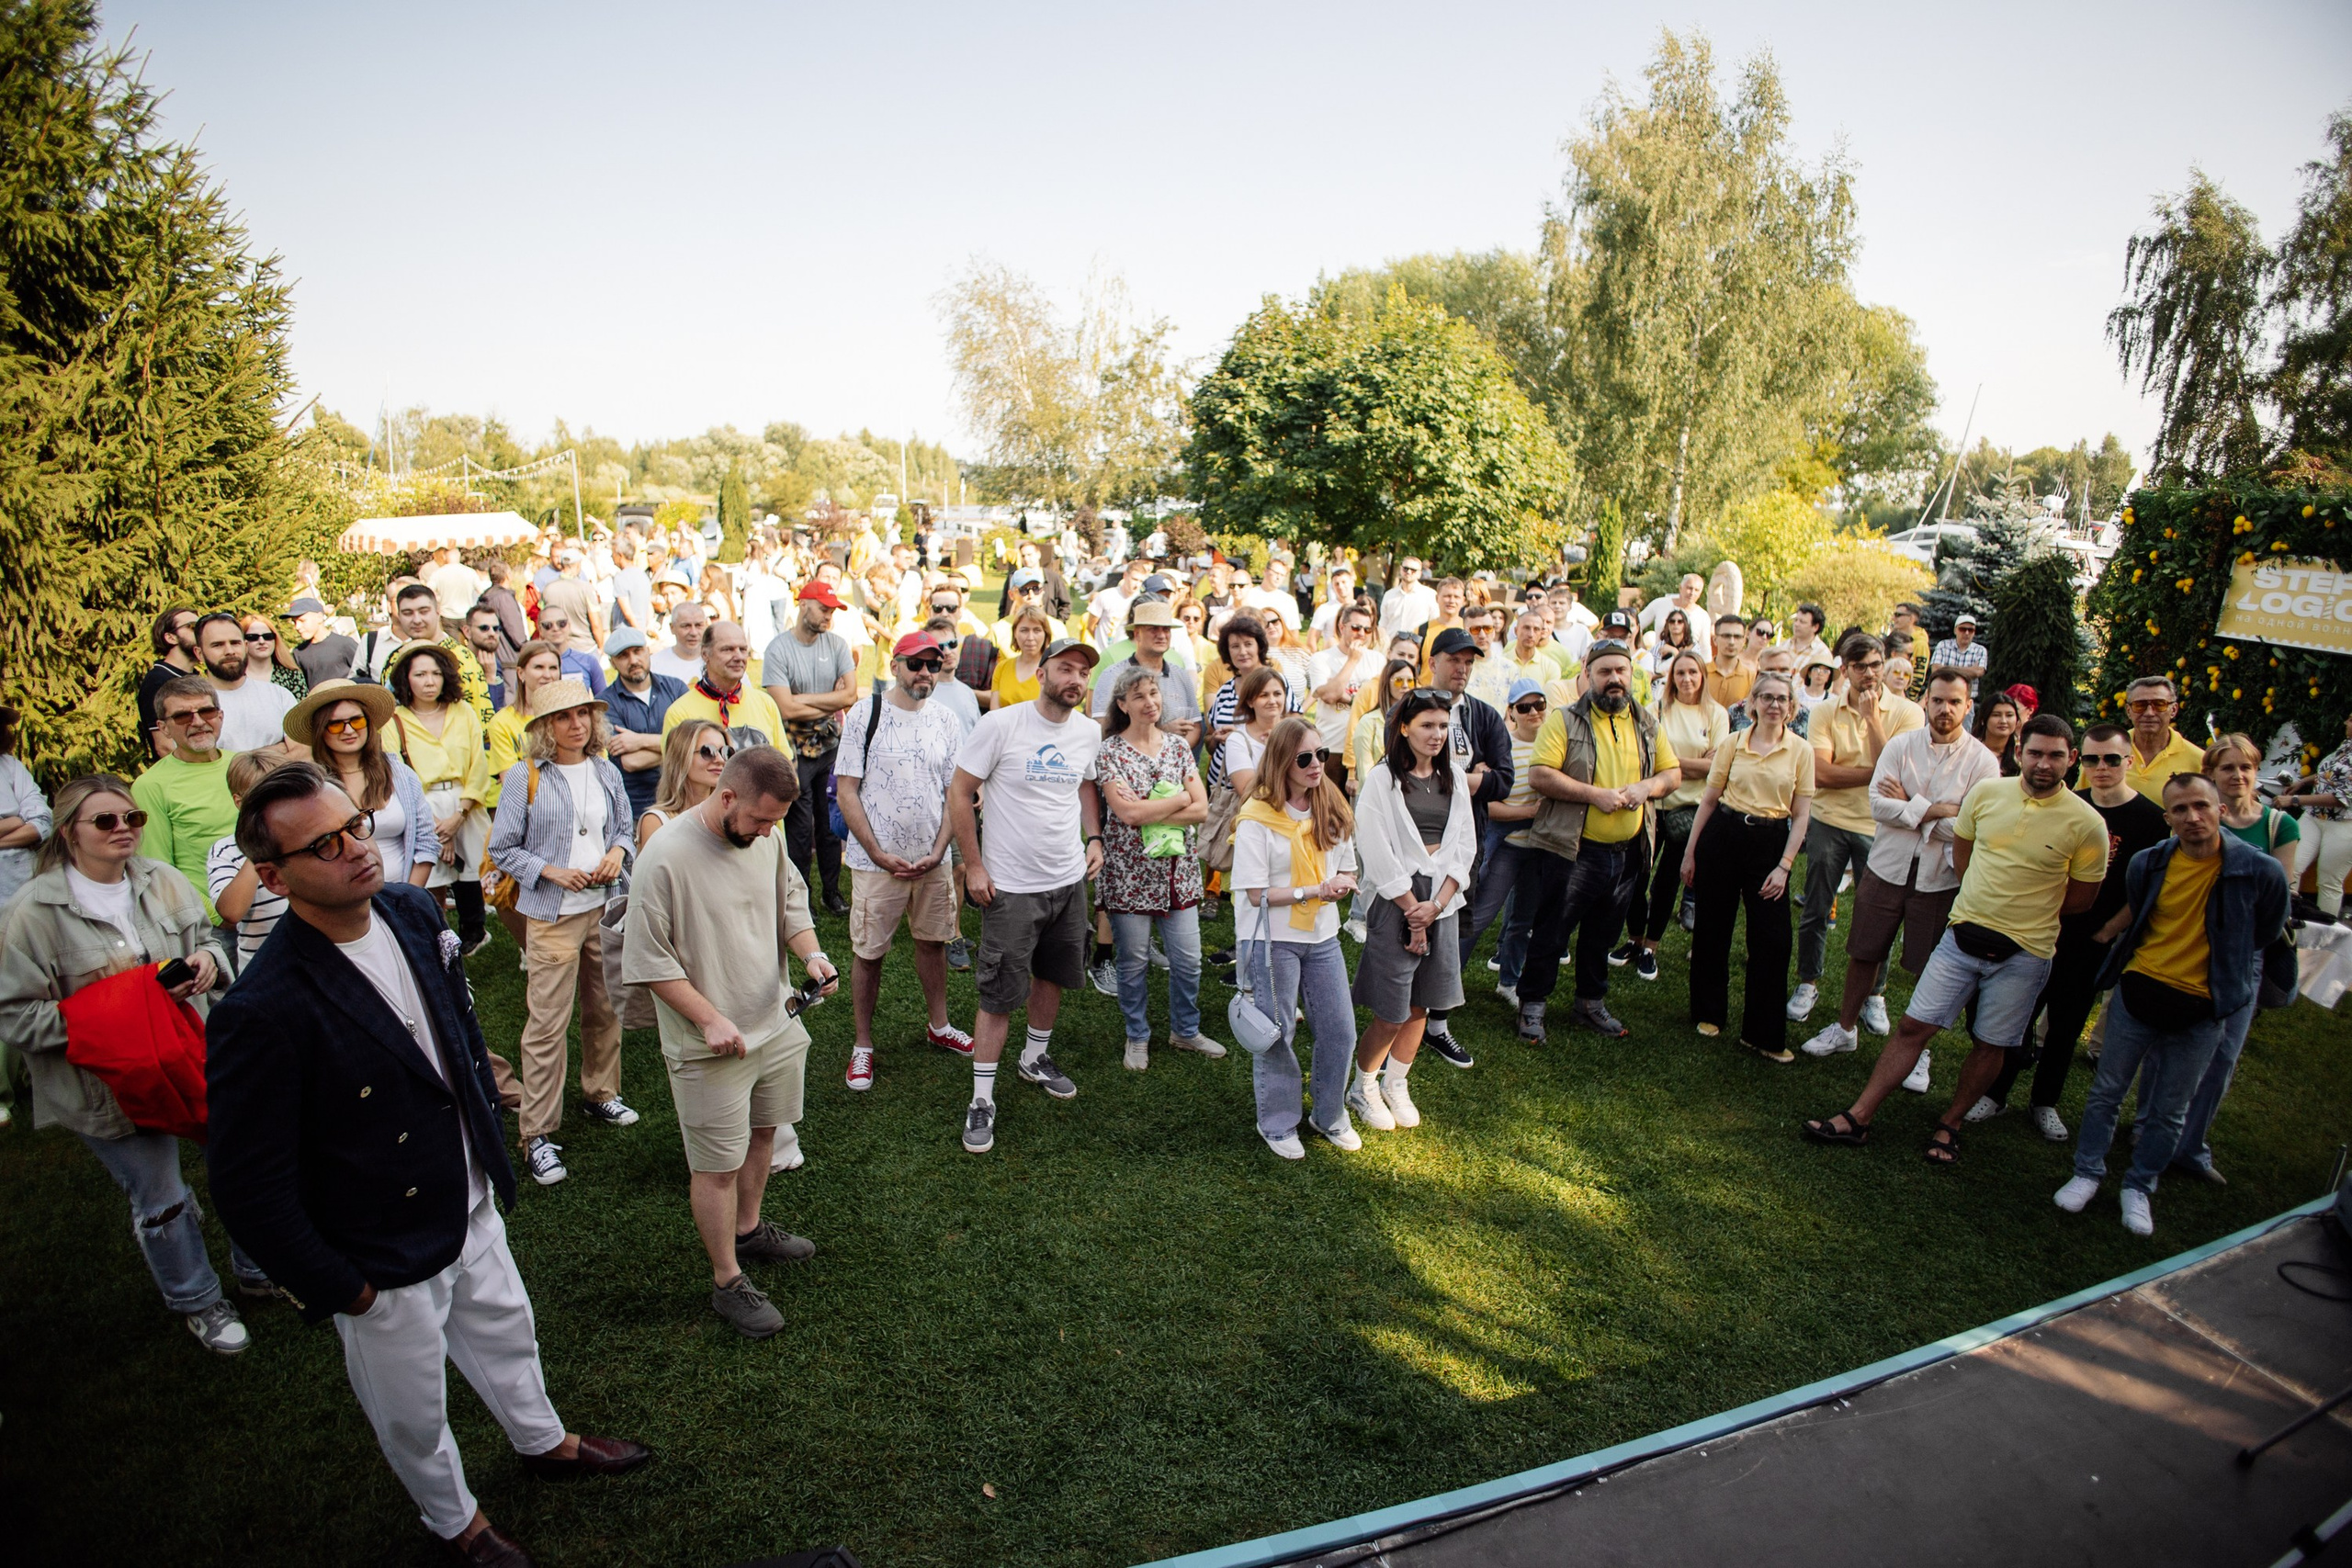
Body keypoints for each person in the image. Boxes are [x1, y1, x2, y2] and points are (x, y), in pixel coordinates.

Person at [206, 762, 650, 1561]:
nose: (357, 847)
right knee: (412, 1405)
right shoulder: (262, 1006)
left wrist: (489, 1157)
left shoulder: (411, 911)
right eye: (327, 843)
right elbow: (246, 1183)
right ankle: (456, 1522)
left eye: (360, 823)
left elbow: (455, 1044)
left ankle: (542, 1440)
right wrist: (345, 1286)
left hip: (469, 1193)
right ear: (273, 875)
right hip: (379, 1246)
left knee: (509, 1329)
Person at [0, 773, 252, 1354]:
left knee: (237, 1161)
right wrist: (121, 1012)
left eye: (132, 819)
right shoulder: (31, 915)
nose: (126, 829)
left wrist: (210, 963)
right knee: (161, 1196)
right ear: (67, 834)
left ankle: (259, 1268)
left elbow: (211, 941)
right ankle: (199, 1300)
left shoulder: (161, 880)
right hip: (107, 1086)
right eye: (107, 821)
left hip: (189, 1060)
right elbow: (17, 1017)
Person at [1803, 715, 2109, 1164]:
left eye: (2056, 755)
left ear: (2072, 760)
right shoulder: (1987, 795)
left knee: (1991, 1043)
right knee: (1911, 1026)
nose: (2044, 764)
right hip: (1962, 936)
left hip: (2026, 952)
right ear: (2020, 751)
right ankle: (1860, 1116)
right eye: (2036, 753)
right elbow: (1962, 858)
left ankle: (1951, 1123)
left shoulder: (2087, 824)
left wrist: (2021, 912)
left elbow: (2080, 899)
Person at [623, 746, 835, 1337]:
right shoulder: (663, 857)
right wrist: (709, 1018)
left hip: (776, 1021)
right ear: (725, 797)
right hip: (708, 1045)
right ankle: (726, 1280)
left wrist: (812, 955)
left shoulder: (764, 837)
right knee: (715, 1166)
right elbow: (646, 959)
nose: (768, 833)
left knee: (765, 1133)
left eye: (775, 823)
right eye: (760, 820)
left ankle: (750, 1228)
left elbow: (791, 899)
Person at [2054, 773, 2287, 1236]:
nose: (2192, 817)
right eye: (2180, 810)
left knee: (2168, 1109)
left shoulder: (2260, 871)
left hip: (2204, 1007)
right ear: (2168, 819)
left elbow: (2264, 932)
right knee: (2106, 1091)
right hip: (2139, 992)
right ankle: (2087, 1172)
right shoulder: (2149, 863)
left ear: (2221, 809)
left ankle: (2139, 1185)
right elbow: (2140, 915)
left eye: (2201, 806)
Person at [946, 638, 1105, 1155]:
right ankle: (982, 1099)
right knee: (998, 993)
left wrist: (1095, 837)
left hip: (1067, 880)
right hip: (1010, 887)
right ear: (1041, 673)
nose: (1075, 680)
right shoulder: (1002, 724)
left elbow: (1085, 784)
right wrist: (973, 865)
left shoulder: (1088, 731)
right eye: (1066, 669)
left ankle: (1034, 1058)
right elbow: (960, 791)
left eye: (1083, 672)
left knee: (1054, 974)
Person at [1967, 722, 2166, 1134]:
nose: (2102, 767)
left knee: (2067, 1024)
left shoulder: (2150, 819)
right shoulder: (2067, 804)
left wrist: (2108, 932)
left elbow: (2147, 891)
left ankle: (2044, 1102)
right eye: (2092, 759)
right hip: (2043, 932)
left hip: (2093, 939)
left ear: (2128, 761)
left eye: (2112, 759)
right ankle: (1995, 1093)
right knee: (2017, 1018)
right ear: (2081, 761)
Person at [1798, 672, 2000, 1077]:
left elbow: (1972, 825)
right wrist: (1937, 810)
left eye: (1954, 702)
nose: (1945, 710)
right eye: (1938, 700)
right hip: (1887, 866)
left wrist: (1912, 808)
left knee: (1930, 964)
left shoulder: (1983, 762)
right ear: (1926, 701)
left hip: (1940, 876)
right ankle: (1845, 1027)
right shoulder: (1901, 746)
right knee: (1864, 950)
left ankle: (1918, 1050)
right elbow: (1877, 806)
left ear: (1968, 706)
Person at [488, 679, 639, 1187]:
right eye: (563, 717)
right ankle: (536, 1134)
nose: (576, 724)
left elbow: (623, 827)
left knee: (604, 1007)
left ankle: (601, 1093)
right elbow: (503, 848)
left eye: (583, 715)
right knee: (547, 1024)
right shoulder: (523, 775)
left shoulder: (605, 770)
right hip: (551, 912)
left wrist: (617, 853)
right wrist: (551, 870)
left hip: (605, 906)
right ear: (545, 726)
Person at [2147, 734, 2301, 1182]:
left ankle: (2191, 1146)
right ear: (2210, 776)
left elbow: (2279, 899)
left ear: (2256, 773)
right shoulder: (2192, 818)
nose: (2236, 776)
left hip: (2241, 954)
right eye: (2226, 769)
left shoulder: (2278, 827)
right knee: (2165, 1042)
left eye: (2245, 768)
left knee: (2224, 1053)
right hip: (2184, 944)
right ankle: (2147, 1129)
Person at [1512, 640, 1680, 1043]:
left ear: (1630, 674)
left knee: (1602, 933)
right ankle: (1532, 1005)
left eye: (1621, 671)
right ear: (1588, 675)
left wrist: (1647, 787)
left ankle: (1590, 1002)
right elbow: (1540, 775)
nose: (1614, 679)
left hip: (1625, 853)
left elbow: (1672, 774)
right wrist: (1595, 795)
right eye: (1604, 672)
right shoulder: (1565, 719)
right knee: (1553, 929)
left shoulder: (1645, 721)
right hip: (1574, 850)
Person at [836, 633, 975, 1089]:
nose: (924, 674)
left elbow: (957, 794)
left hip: (932, 860)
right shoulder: (866, 712)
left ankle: (939, 1026)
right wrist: (876, 852)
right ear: (895, 665)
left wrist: (939, 851)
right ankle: (863, 1045)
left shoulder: (947, 720)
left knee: (933, 942)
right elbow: (846, 789)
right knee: (869, 952)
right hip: (877, 863)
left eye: (932, 666)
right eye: (915, 664)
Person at [1232, 717, 1360, 1156]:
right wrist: (1317, 890)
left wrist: (1343, 881)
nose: (1316, 765)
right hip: (1270, 940)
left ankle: (1329, 1116)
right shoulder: (1257, 817)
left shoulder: (1332, 806)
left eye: (1321, 755)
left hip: (1321, 936)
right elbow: (1255, 893)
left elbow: (1347, 864)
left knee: (1341, 1031)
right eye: (1305, 758)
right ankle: (1278, 1122)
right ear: (1283, 761)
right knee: (1278, 1032)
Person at [1350, 688, 1475, 1130]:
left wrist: (1436, 906)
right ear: (1404, 728)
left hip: (1441, 900)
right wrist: (1411, 907)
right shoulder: (1382, 781)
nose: (1437, 734)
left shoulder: (1455, 777)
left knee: (1424, 1003)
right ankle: (1362, 1086)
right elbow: (1375, 848)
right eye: (1427, 725)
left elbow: (1465, 845)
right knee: (1392, 1007)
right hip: (1395, 900)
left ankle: (1395, 1082)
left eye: (1443, 726)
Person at [1787, 635, 1925, 1025]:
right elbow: (1823, 773)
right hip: (1829, 822)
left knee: (1879, 915)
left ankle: (1874, 994)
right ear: (1844, 669)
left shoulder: (1907, 713)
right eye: (1860, 666)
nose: (1870, 674)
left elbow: (1899, 773)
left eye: (1876, 665)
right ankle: (1808, 982)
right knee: (1816, 907)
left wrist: (1873, 720)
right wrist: (1876, 775)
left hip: (1882, 829)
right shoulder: (1825, 712)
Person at [1683, 670, 1815, 1060]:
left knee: (1773, 941)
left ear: (1791, 708)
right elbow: (1708, 799)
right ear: (1752, 703)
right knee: (1712, 929)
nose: (1774, 705)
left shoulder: (1801, 751)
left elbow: (1802, 814)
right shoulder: (1733, 743)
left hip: (1770, 844)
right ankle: (1708, 1013)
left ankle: (1761, 1033)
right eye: (1767, 697)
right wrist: (1691, 853)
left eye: (1782, 699)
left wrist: (1785, 865)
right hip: (1723, 835)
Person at [1096, 660, 1221, 1070]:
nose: (1150, 702)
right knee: (1131, 962)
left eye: (1153, 694)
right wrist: (1178, 801)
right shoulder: (1110, 751)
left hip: (1177, 875)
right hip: (1128, 875)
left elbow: (1202, 809)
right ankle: (1137, 1036)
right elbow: (1126, 814)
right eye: (1139, 697)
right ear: (1122, 704)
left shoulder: (1178, 746)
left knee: (1188, 960)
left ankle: (1185, 1031)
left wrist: (1154, 808)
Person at [1415, 626, 1516, 1064]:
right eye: (1455, 659)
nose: (1462, 668)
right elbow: (1401, 771)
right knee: (1411, 922)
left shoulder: (1485, 717)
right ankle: (1405, 1016)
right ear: (1433, 661)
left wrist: (1469, 780)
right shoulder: (1410, 709)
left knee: (1453, 926)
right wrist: (1467, 777)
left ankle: (1436, 1025)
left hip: (1465, 840)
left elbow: (1505, 780)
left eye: (1469, 662)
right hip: (1415, 839)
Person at [1612, 651, 1725, 981]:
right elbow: (1645, 756)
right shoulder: (1658, 709)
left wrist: (1671, 763)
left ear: (1702, 675)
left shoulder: (1716, 715)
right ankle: (1633, 938)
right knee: (1635, 876)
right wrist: (1692, 764)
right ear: (1671, 676)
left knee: (1666, 883)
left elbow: (1716, 768)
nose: (1686, 678)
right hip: (1650, 807)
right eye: (1680, 673)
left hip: (1688, 810)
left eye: (1693, 672)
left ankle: (1651, 946)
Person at [381, 643, 493, 955]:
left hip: (465, 805)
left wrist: (458, 817)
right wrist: (435, 828)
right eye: (420, 674)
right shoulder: (394, 720)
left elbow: (478, 765)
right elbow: (396, 772)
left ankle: (477, 931)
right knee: (431, 883)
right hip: (421, 806)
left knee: (480, 872)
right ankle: (438, 945)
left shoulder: (463, 711)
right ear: (406, 679)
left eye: (435, 673)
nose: (429, 681)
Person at [763, 582, 860, 916]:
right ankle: (800, 895)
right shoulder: (779, 649)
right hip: (794, 751)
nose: (829, 615)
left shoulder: (837, 645)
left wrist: (801, 698)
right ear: (803, 604)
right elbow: (783, 709)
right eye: (823, 608)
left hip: (832, 747)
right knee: (800, 828)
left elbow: (850, 696)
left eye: (832, 610)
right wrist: (824, 702)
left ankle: (831, 893)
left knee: (831, 823)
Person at [288, 680, 439, 890]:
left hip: (404, 893)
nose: (349, 730)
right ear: (321, 731)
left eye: (356, 721)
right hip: (341, 901)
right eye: (336, 724)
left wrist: (409, 896)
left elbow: (426, 842)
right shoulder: (312, 786)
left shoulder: (400, 774)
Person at [1462, 679, 1550, 1009]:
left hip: (1541, 847)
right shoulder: (1503, 750)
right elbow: (1489, 807)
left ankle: (1509, 982)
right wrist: (1531, 812)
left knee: (1524, 921)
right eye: (1524, 707)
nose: (1533, 712)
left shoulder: (1555, 744)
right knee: (1480, 915)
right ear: (1510, 712)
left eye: (1539, 705)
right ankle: (1448, 981)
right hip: (1508, 846)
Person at [133, 677, 242, 920]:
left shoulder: (243, 764)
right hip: (215, 922)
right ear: (163, 727)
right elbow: (157, 871)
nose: (199, 722)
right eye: (183, 716)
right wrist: (218, 917)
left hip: (277, 908)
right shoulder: (151, 786)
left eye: (207, 711)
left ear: (220, 716)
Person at [208, 750, 292, 968]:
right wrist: (256, 847)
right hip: (263, 969)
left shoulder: (307, 838)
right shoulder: (226, 850)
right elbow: (232, 911)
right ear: (240, 802)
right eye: (264, 797)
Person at [1090, 600, 1204, 749]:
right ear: (1137, 634)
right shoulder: (1112, 675)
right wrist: (1160, 731)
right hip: (1129, 765)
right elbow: (1102, 729)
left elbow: (1195, 726)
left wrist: (1173, 757)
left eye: (1166, 629)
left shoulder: (1181, 675)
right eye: (1153, 629)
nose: (1161, 635)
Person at [599, 626, 685, 820]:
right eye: (623, 656)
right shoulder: (605, 703)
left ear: (648, 651)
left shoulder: (676, 688)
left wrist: (639, 741)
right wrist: (681, 752)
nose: (633, 660)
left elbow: (697, 740)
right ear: (613, 663)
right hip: (636, 808)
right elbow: (630, 762)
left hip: (683, 800)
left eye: (637, 651)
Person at [666, 620, 788, 755]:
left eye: (742, 649)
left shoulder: (765, 703)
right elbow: (676, 773)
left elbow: (786, 764)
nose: (738, 657)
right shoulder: (680, 713)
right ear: (705, 654)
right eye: (727, 649)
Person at [193, 612, 297, 752]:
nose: (229, 651)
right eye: (217, 645)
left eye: (235, 643)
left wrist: (232, 760)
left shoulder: (280, 696)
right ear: (199, 653)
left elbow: (301, 754)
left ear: (246, 646)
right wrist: (276, 749)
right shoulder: (192, 709)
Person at [2284, 710, 2352, 914]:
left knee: (2329, 881)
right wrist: (2302, 782)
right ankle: (2286, 925)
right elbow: (2328, 774)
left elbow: (2342, 798)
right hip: (2314, 817)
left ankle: (2325, 938)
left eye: (2351, 719)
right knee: (2290, 867)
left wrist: (2295, 800)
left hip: (2344, 825)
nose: (2345, 722)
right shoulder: (2347, 745)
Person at [639, 718, 729, 845]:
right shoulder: (657, 821)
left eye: (725, 751)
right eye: (708, 751)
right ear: (682, 756)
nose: (720, 759)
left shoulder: (730, 818)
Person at [2119, 676, 2208, 802]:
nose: (2149, 713)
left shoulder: (2199, 760)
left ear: (2174, 710)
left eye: (2159, 705)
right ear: (2128, 711)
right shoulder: (2104, 755)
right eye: (2140, 705)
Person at [139, 605, 202, 753]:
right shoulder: (158, 681)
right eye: (192, 627)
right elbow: (165, 746)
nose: (200, 633)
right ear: (170, 638)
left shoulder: (194, 679)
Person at [1221, 666, 1290, 800]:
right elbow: (1249, 793)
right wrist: (1273, 750)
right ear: (1250, 702)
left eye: (1277, 694)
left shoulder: (1298, 733)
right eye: (1264, 695)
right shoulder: (1237, 740)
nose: (1272, 701)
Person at [529, 604, 609, 701]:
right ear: (540, 630)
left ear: (569, 626)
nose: (555, 628)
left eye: (561, 623)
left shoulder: (589, 662)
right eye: (548, 625)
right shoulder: (531, 665)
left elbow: (605, 702)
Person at [537, 547, 604, 657]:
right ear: (578, 565)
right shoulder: (586, 588)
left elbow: (541, 620)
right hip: (585, 647)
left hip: (558, 647)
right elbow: (596, 623)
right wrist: (601, 647)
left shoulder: (548, 588)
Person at [992, 568, 1069, 654]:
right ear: (1011, 595)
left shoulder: (1058, 627)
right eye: (1023, 591)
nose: (1031, 595)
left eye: (1036, 589)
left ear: (1042, 591)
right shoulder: (997, 630)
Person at [991, 606, 1052, 709]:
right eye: (1024, 630)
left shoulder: (1052, 670)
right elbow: (994, 711)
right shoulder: (1002, 668)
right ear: (1015, 633)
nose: (1030, 637)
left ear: (1045, 634)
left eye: (1037, 630)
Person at [290, 595, 358, 687]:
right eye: (294, 622)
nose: (297, 627)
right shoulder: (299, 652)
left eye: (302, 621)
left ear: (319, 617)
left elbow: (362, 674)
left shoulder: (344, 644)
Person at [243, 613, 309, 702]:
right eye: (253, 637)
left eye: (267, 636)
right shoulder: (235, 678)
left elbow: (303, 712)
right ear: (243, 642)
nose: (261, 641)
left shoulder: (292, 676)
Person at [1703, 614, 1755, 711]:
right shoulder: (1701, 672)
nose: (1731, 642)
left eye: (1737, 637)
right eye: (1726, 636)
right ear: (1715, 640)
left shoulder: (1750, 677)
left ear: (1744, 641)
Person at [1376, 557, 1437, 638]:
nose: (1408, 572)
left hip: (1417, 647)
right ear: (1401, 569)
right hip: (1391, 647)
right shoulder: (1389, 595)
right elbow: (1383, 625)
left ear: (1419, 574)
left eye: (1413, 570)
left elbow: (1434, 624)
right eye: (1405, 568)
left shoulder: (1430, 595)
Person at [1928, 614, 1989, 694]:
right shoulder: (1943, 645)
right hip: (1943, 694)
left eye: (1970, 630)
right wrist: (1969, 670)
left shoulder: (1980, 650)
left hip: (1967, 699)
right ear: (1955, 630)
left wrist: (1947, 668)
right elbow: (1936, 670)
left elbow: (1978, 672)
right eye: (1962, 629)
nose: (1967, 633)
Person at [652, 599, 710, 683]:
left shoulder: (716, 661)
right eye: (686, 626)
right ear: (672, 628)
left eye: (698, 625)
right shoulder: (655, 664)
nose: (693, 632)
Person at [1975, 689, 2023, 776]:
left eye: (2009, 715)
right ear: (1983, 719)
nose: (2003, 721)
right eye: (1996, 715)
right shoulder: (1970, 751)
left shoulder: (2020, 754)